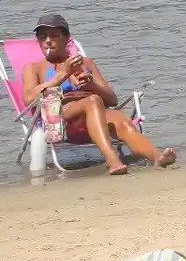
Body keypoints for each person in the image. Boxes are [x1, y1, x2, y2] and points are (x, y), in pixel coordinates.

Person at [21, 14, 176, 174]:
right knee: (93, 100)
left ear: (66, 38)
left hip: (95, 118)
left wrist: (92, 84)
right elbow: (28, 99)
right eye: (42, 37)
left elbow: (112, 100)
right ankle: (113, 160)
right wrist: (62, 75)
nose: (47, 40)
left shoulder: (85, 63)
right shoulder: (33, 68)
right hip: (62, 121)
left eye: (54, 36)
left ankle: (156, 156)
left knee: (122, 120)